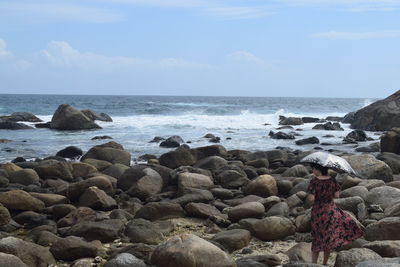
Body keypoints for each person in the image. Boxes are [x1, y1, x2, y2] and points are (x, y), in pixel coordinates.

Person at [306, 163, 364, 265]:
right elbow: (337, 195)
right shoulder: (332, 180)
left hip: (318, 212)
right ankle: (324, 263)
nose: (312, 171)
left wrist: (312, 198)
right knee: (328, 237)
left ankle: (314, 263)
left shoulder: (314, 181)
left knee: (317, 237)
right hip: (331, 211)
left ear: (318, 169)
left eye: (313, 169)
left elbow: (311, 199)